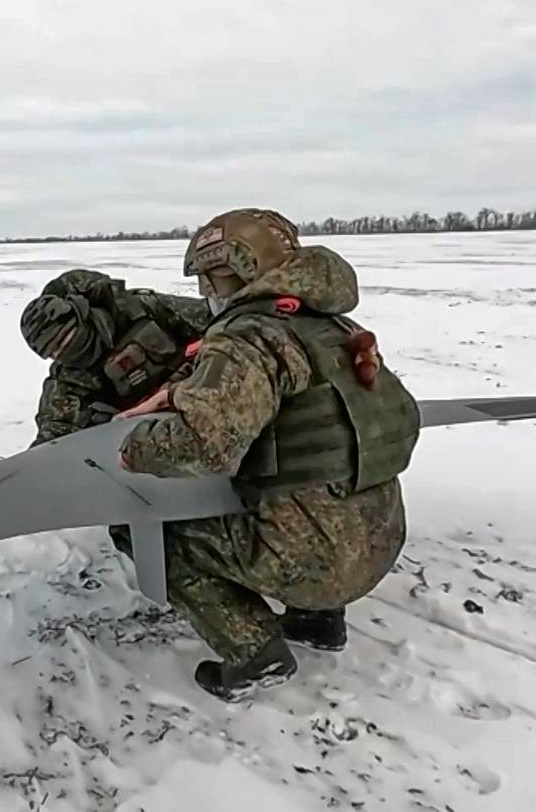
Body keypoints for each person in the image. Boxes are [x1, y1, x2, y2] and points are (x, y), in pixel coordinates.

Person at [115, 208, 421, 701]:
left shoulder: (249, 336)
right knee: (313, 488)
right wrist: (177, 393)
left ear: (232, 272)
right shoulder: (330, 326)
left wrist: (132, 449)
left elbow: (204, 445)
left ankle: (253, 652)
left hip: (318, 562)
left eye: (208, 282)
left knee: (151, 532)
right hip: (380, 541)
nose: (204, 296)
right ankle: (318, 623)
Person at [19, 268, 211, 447]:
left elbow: (219, 323)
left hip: (207, 391)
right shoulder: (69, 379)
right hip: (152, 433)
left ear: (81, 317)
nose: (61, 353)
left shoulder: (141, 309)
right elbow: (53, 437)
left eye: (64, 341)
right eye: (52, 353)